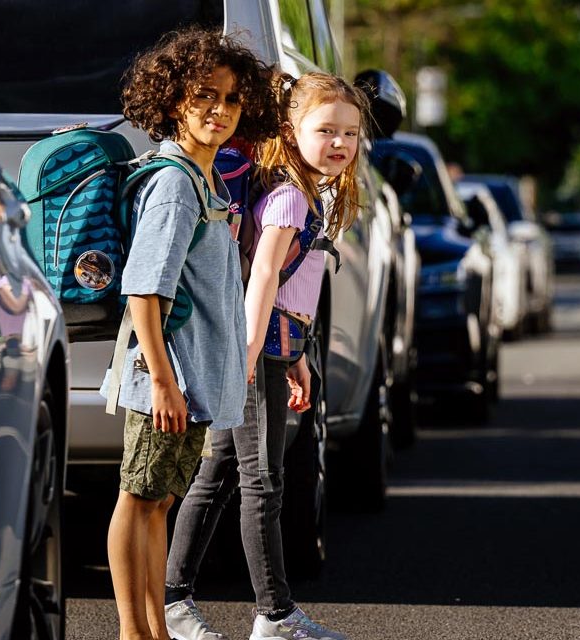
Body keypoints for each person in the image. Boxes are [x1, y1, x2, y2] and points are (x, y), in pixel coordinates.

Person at [164, 72, 367, 640]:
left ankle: (173, 600)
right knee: (263, 483)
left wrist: (295, 352)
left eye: (349, 134)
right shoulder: (288, 198)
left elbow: (288, 288)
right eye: (325, 130)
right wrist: (252, 356)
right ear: (289, 130)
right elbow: (262, 276)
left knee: (219, 472)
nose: (339, 144)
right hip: (255, 353)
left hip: (272, 349)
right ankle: (273, 616)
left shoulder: (301, 191)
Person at [103, 27, 278, 640]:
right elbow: (145, 290)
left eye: (231, 100)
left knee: (158, 504)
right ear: (174, 99)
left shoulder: (207, 182)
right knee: (138, 497)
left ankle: (154, 627)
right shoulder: (175, 185)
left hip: (189, 379)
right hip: (167, 379)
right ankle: (133, 631)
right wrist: (162, 381)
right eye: (204, 95)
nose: (219, 110)